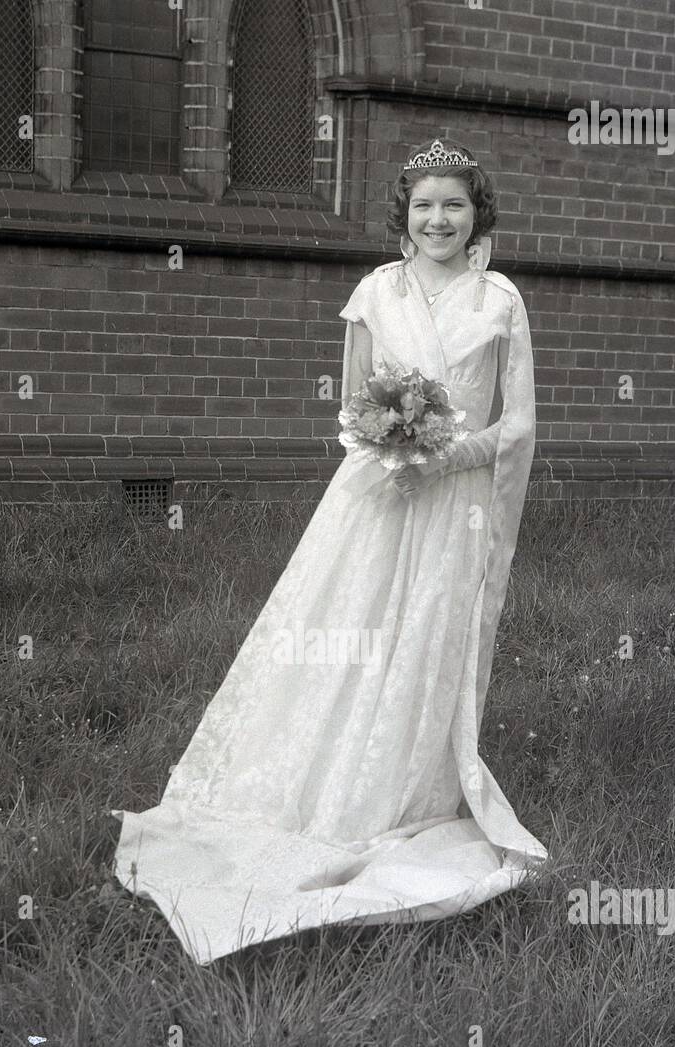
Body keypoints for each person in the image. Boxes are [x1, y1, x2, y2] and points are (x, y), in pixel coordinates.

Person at [111, 136, 548, 965]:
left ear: (475, 214)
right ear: (403, 217)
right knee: (337, 632)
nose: (438, 219)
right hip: (373, 498)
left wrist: (444, 457)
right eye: (424, 206)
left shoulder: (499, 299)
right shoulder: (374, 292)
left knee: (423, 640)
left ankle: (397, 791)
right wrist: (392, 450)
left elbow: (518, 423)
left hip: (450, 503)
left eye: (454, 205)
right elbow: (354, 406)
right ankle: (301, 785)